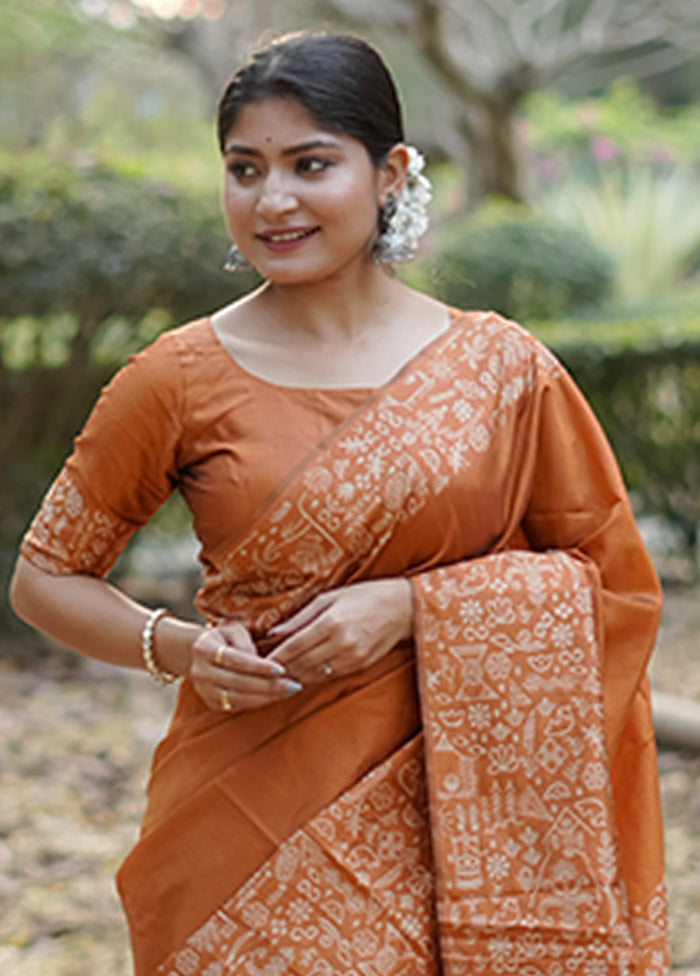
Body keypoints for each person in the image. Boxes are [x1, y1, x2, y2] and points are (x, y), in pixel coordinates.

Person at [10, 30, 669, 976]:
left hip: (473, 838)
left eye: (309, 164)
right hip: (243, 828)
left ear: (390, 172)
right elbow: (45, 578)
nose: (272, 200)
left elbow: (615, 591)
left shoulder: (502, 372)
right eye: (245, 169)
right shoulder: (174, 378)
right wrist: (184, 648)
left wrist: (415, 609)